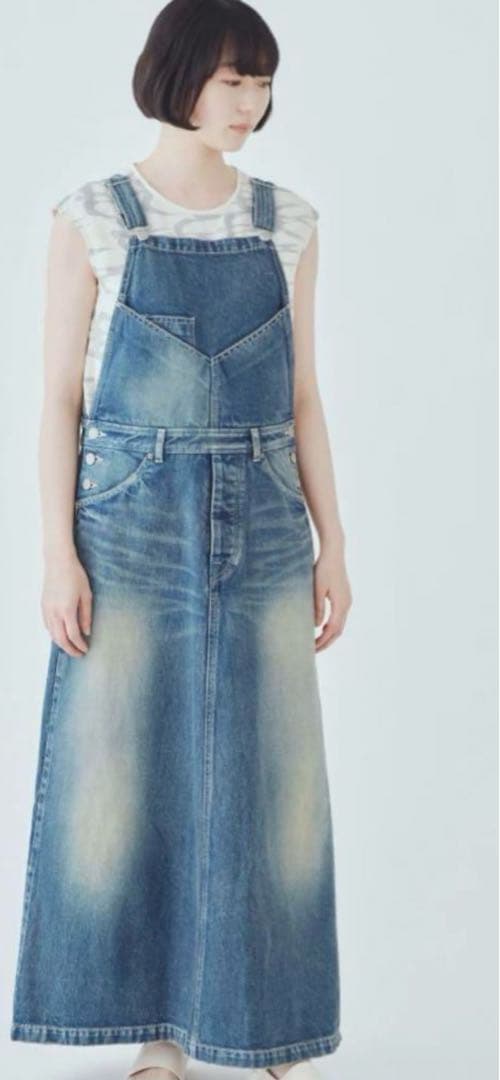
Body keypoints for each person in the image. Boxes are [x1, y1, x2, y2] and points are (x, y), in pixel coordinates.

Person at [10, 1, 352, 1078]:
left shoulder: (287, 220)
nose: (249, 102)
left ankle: (267, 1033)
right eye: (229, 79)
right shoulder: (92, 217)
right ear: (176, 76)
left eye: (261, 81)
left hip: (265, 514)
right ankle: (160, 1036)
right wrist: (56, 554)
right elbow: (58, 400)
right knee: (123, 774)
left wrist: (334, 546)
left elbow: (303, 398)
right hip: (128, 519)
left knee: (269, 777)